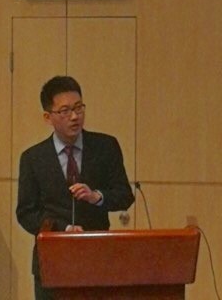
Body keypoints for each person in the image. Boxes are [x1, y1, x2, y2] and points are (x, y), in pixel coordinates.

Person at [16, 75, 135, 300]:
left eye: (79, 108)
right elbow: (26, 213)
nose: (74, 116)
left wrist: (96, 196)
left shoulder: (105, 146)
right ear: (48, 117)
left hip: (98, 260)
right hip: (52, 263)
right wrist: (63, 229)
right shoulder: (33, 158)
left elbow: (124, 195)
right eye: (65, 111)